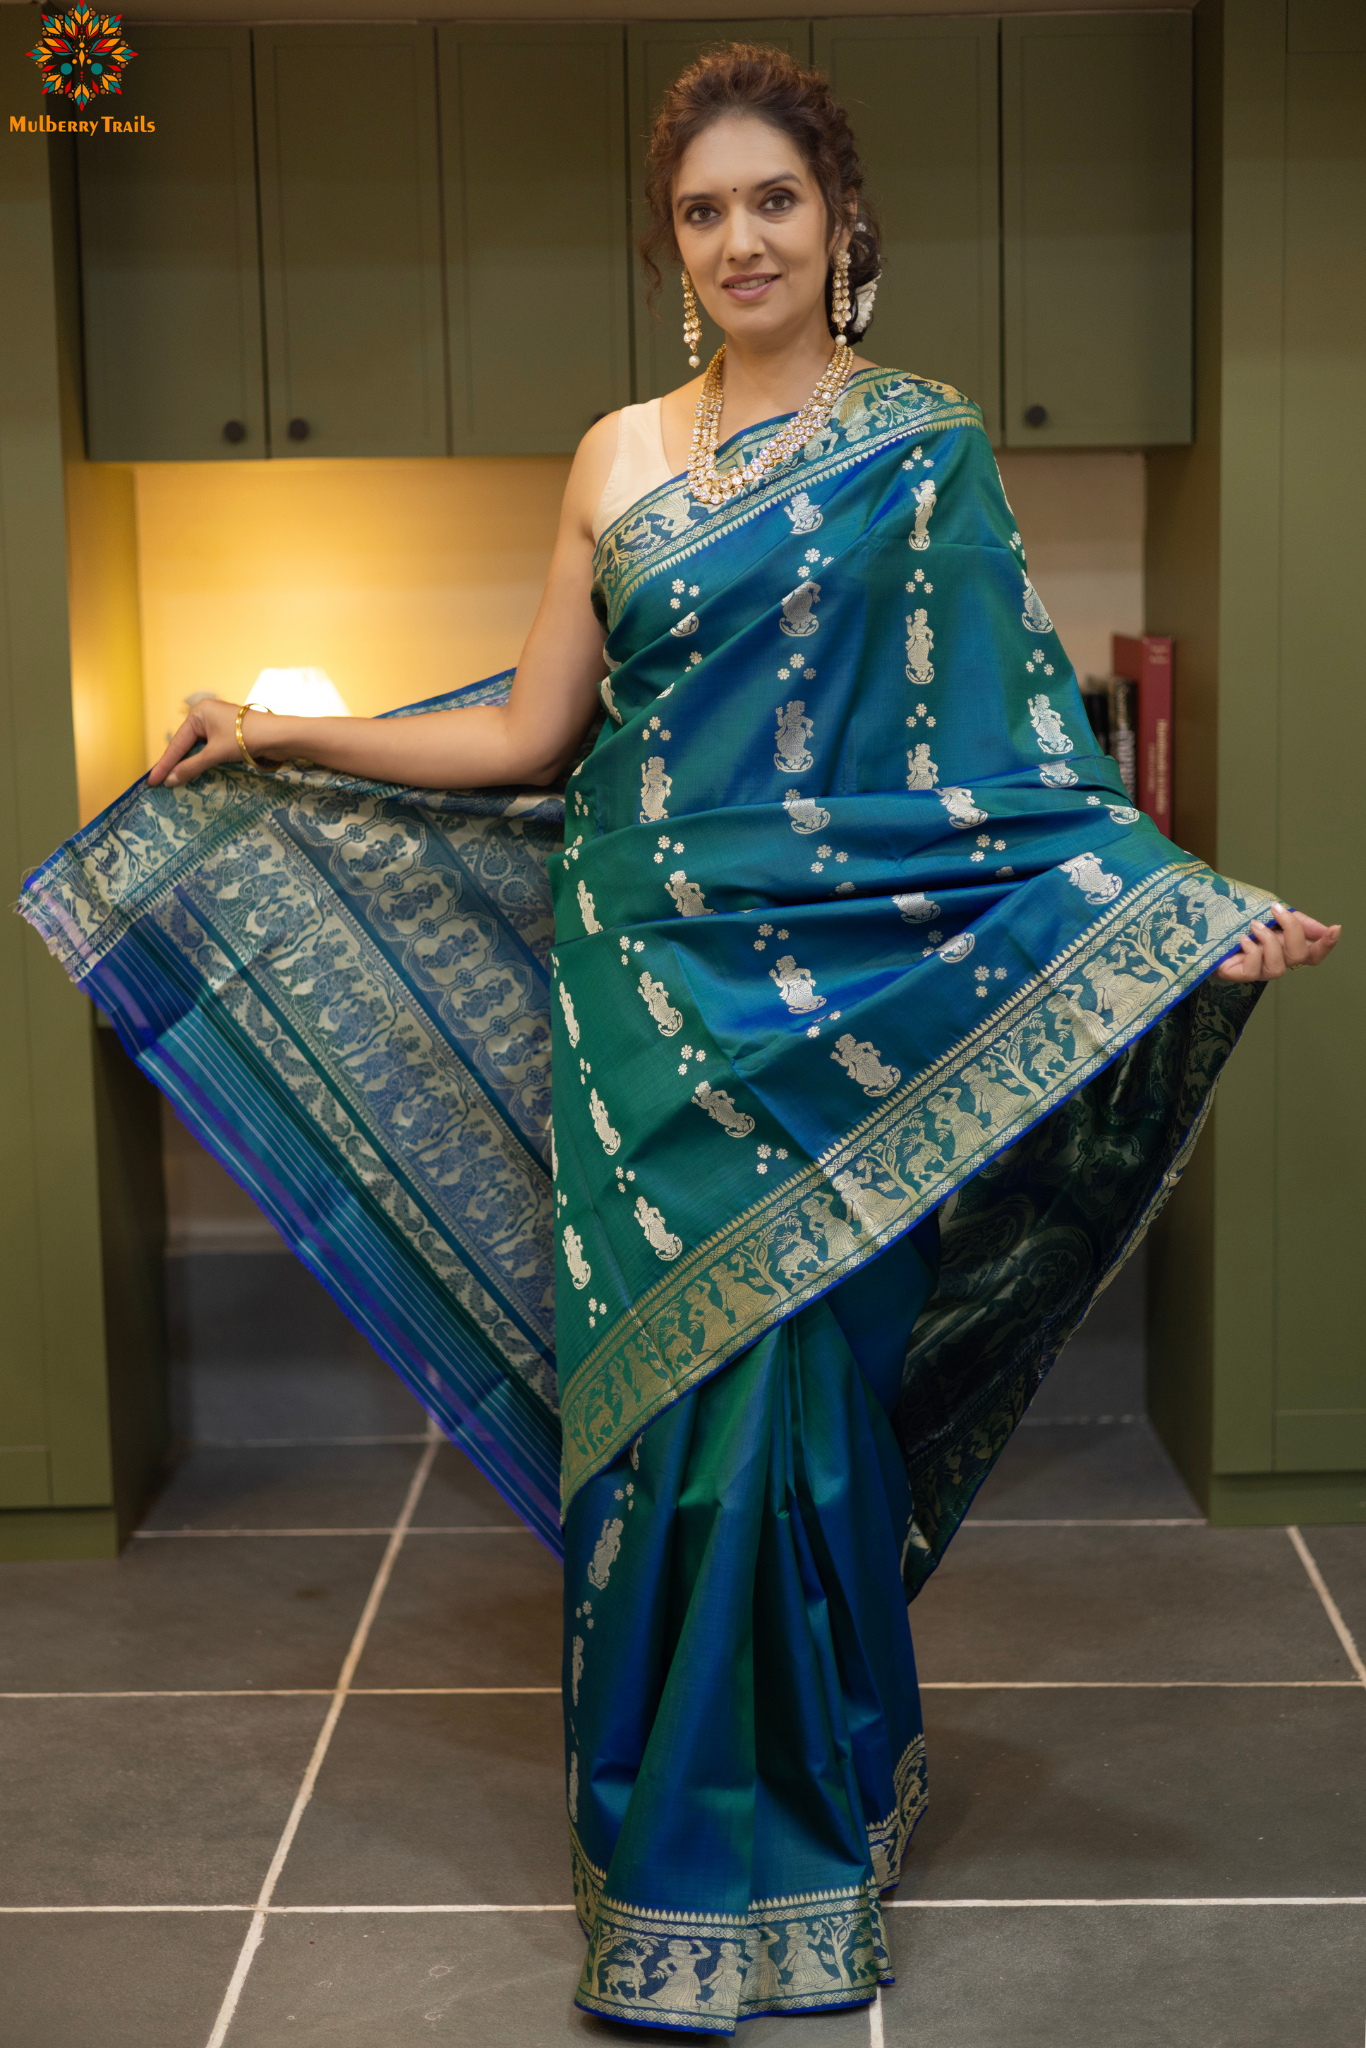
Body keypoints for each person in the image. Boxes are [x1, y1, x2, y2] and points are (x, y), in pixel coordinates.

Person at [21, 43, 1338, 2039]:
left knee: (802, 1446)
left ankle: (809, 1829)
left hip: (837, 1018)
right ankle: (666, 1871)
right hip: (642, 1005)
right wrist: (284, 725)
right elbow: (527, 737)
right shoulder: (614, 456)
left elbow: (1004, 768)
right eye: (702, 211)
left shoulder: (924, 446)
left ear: (840, 223)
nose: (738, 239)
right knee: (665, 1458)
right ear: (673, 247)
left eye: (772, 202)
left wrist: (1171, 915)